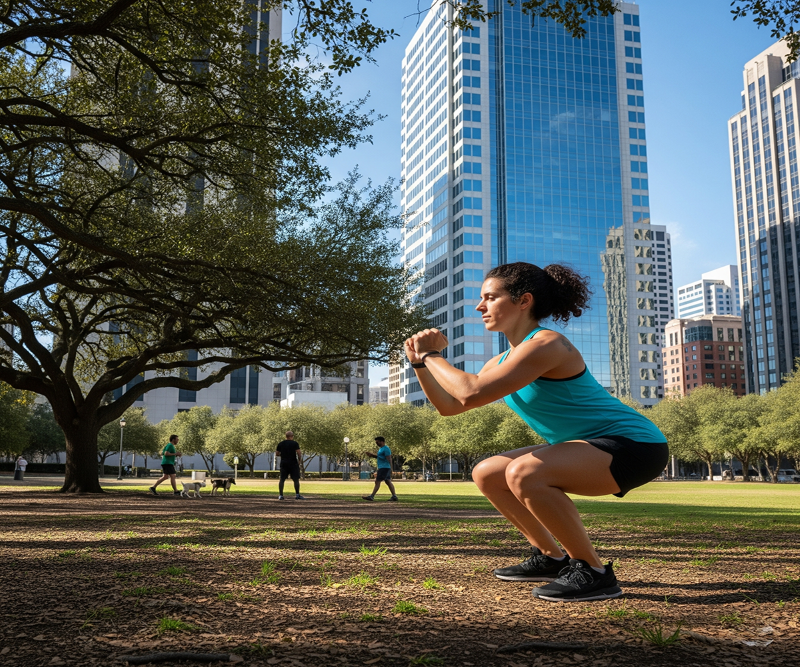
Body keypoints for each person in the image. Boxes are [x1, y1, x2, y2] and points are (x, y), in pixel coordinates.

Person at [404, 262, 668, 602]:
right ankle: (550, 557)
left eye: (490, 297)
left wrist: (431, 353)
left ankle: (593, 571)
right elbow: (451, 405)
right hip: (589, 446)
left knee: (524, 472)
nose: (479, 306)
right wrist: (419, 363)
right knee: (487, 473)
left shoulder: (547, 344)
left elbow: (470, 391)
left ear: (523, 300)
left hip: (635, 446)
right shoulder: (498, 363)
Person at [362, 437, 398, 502]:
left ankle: (372, 496)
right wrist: (372, 455)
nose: (376, 443)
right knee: (388, 481)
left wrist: (391, 468)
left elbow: (389, 458)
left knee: (377, 481)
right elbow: (380, 457)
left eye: (377, 442)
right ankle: (394, 496)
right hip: (383, 467)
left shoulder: (386, 449)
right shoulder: (381, 449)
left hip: (384, 467)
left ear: (382, 441)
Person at [276, 431, 304, 500]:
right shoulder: (295, 443)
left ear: (286, 436)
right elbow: (299, 453)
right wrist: (299, 461)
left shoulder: (281, 444)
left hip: (284, 463)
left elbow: (277, 454)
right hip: (293, 463)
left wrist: (283, 455)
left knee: (282, 479)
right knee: (296, 479)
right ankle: (297, 495)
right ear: (292, 436)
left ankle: (281, 495)